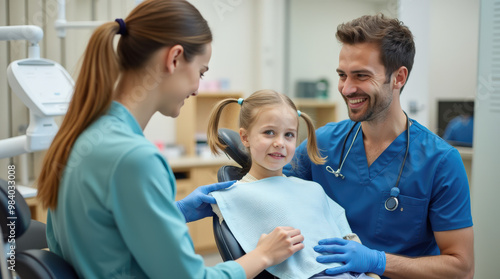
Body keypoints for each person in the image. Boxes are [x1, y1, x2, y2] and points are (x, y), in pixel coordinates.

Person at [36, 1, 304, 278]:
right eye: (200, 73)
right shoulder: (135, 158)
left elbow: (104, 233)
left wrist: (176, 211)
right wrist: (262, 255)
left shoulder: (82, 135)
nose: (198, 89)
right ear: (174, 58)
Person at [283, 14, 474, 279]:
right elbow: (276, 192)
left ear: (398, 78)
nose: (347, 88)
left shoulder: (440, 162)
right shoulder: (322, 143)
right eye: (342, 75)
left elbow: (461, 268)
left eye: (361, 76)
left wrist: (377, 261)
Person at [207, 90, 378, 279]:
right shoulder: (233, 196)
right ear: (245, 137)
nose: (280, 142)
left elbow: (347, 237)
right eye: (269, 132)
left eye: (289, 135)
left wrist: (371, 273)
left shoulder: (312, 190)